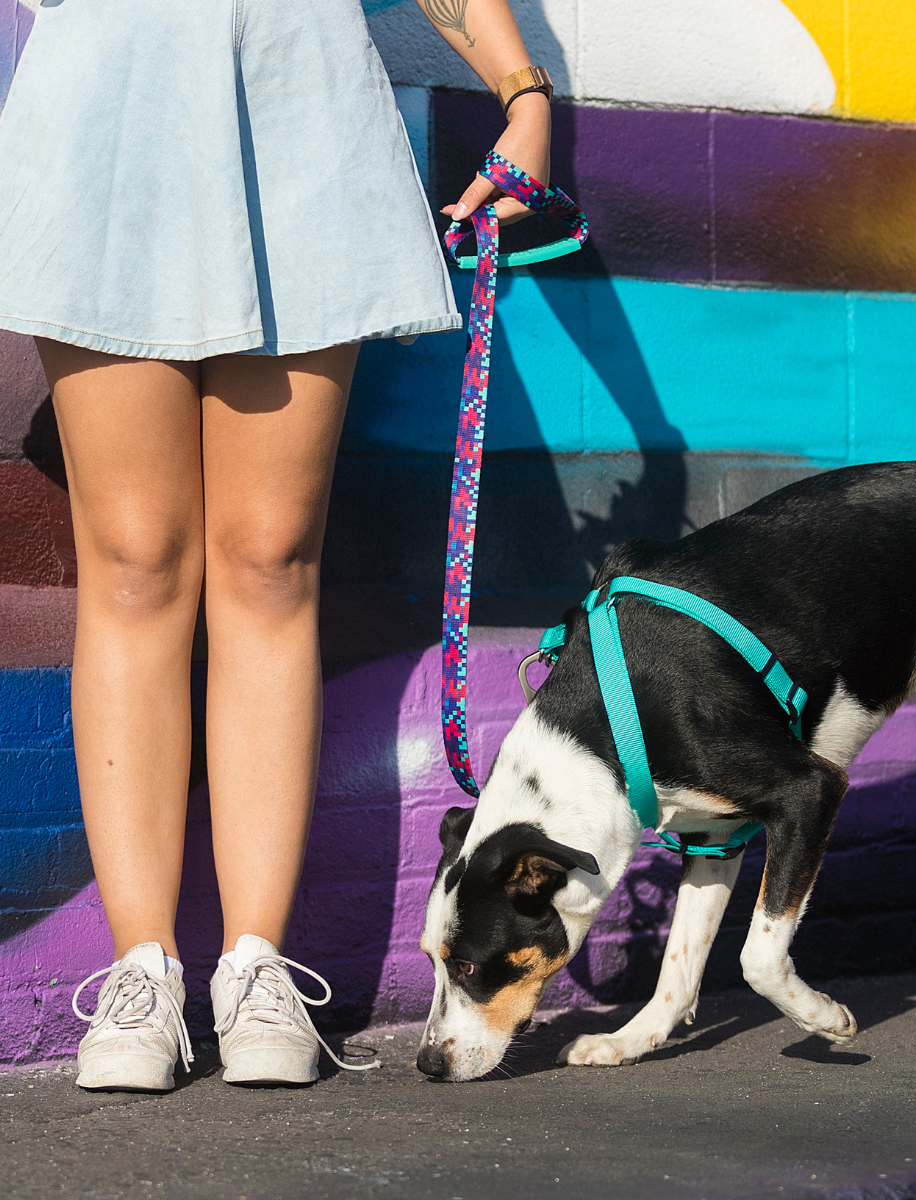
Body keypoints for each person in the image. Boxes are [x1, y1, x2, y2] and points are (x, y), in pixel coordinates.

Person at [0, 0, 552, 1091]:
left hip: (298, 105)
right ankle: (141, 968)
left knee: (268, 555)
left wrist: (522, 92)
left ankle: (255, 965)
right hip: (109, 100)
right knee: (135, 556)